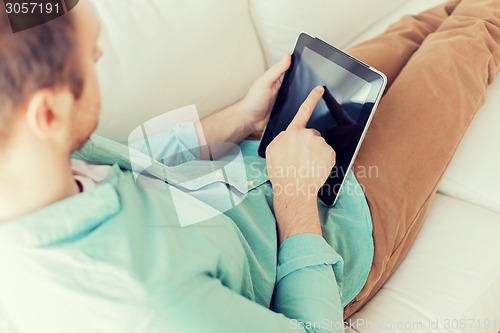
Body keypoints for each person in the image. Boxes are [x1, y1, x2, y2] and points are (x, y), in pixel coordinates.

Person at [0, 0, 498, 332]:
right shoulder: (154, 303)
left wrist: (237, 119)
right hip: (337, 227)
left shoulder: (31, 164)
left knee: (423, 24)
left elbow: (137, 169)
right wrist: (295, 194)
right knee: (476, 34)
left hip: (270, 147)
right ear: (48, 113)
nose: (101, 54)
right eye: (92, 58)